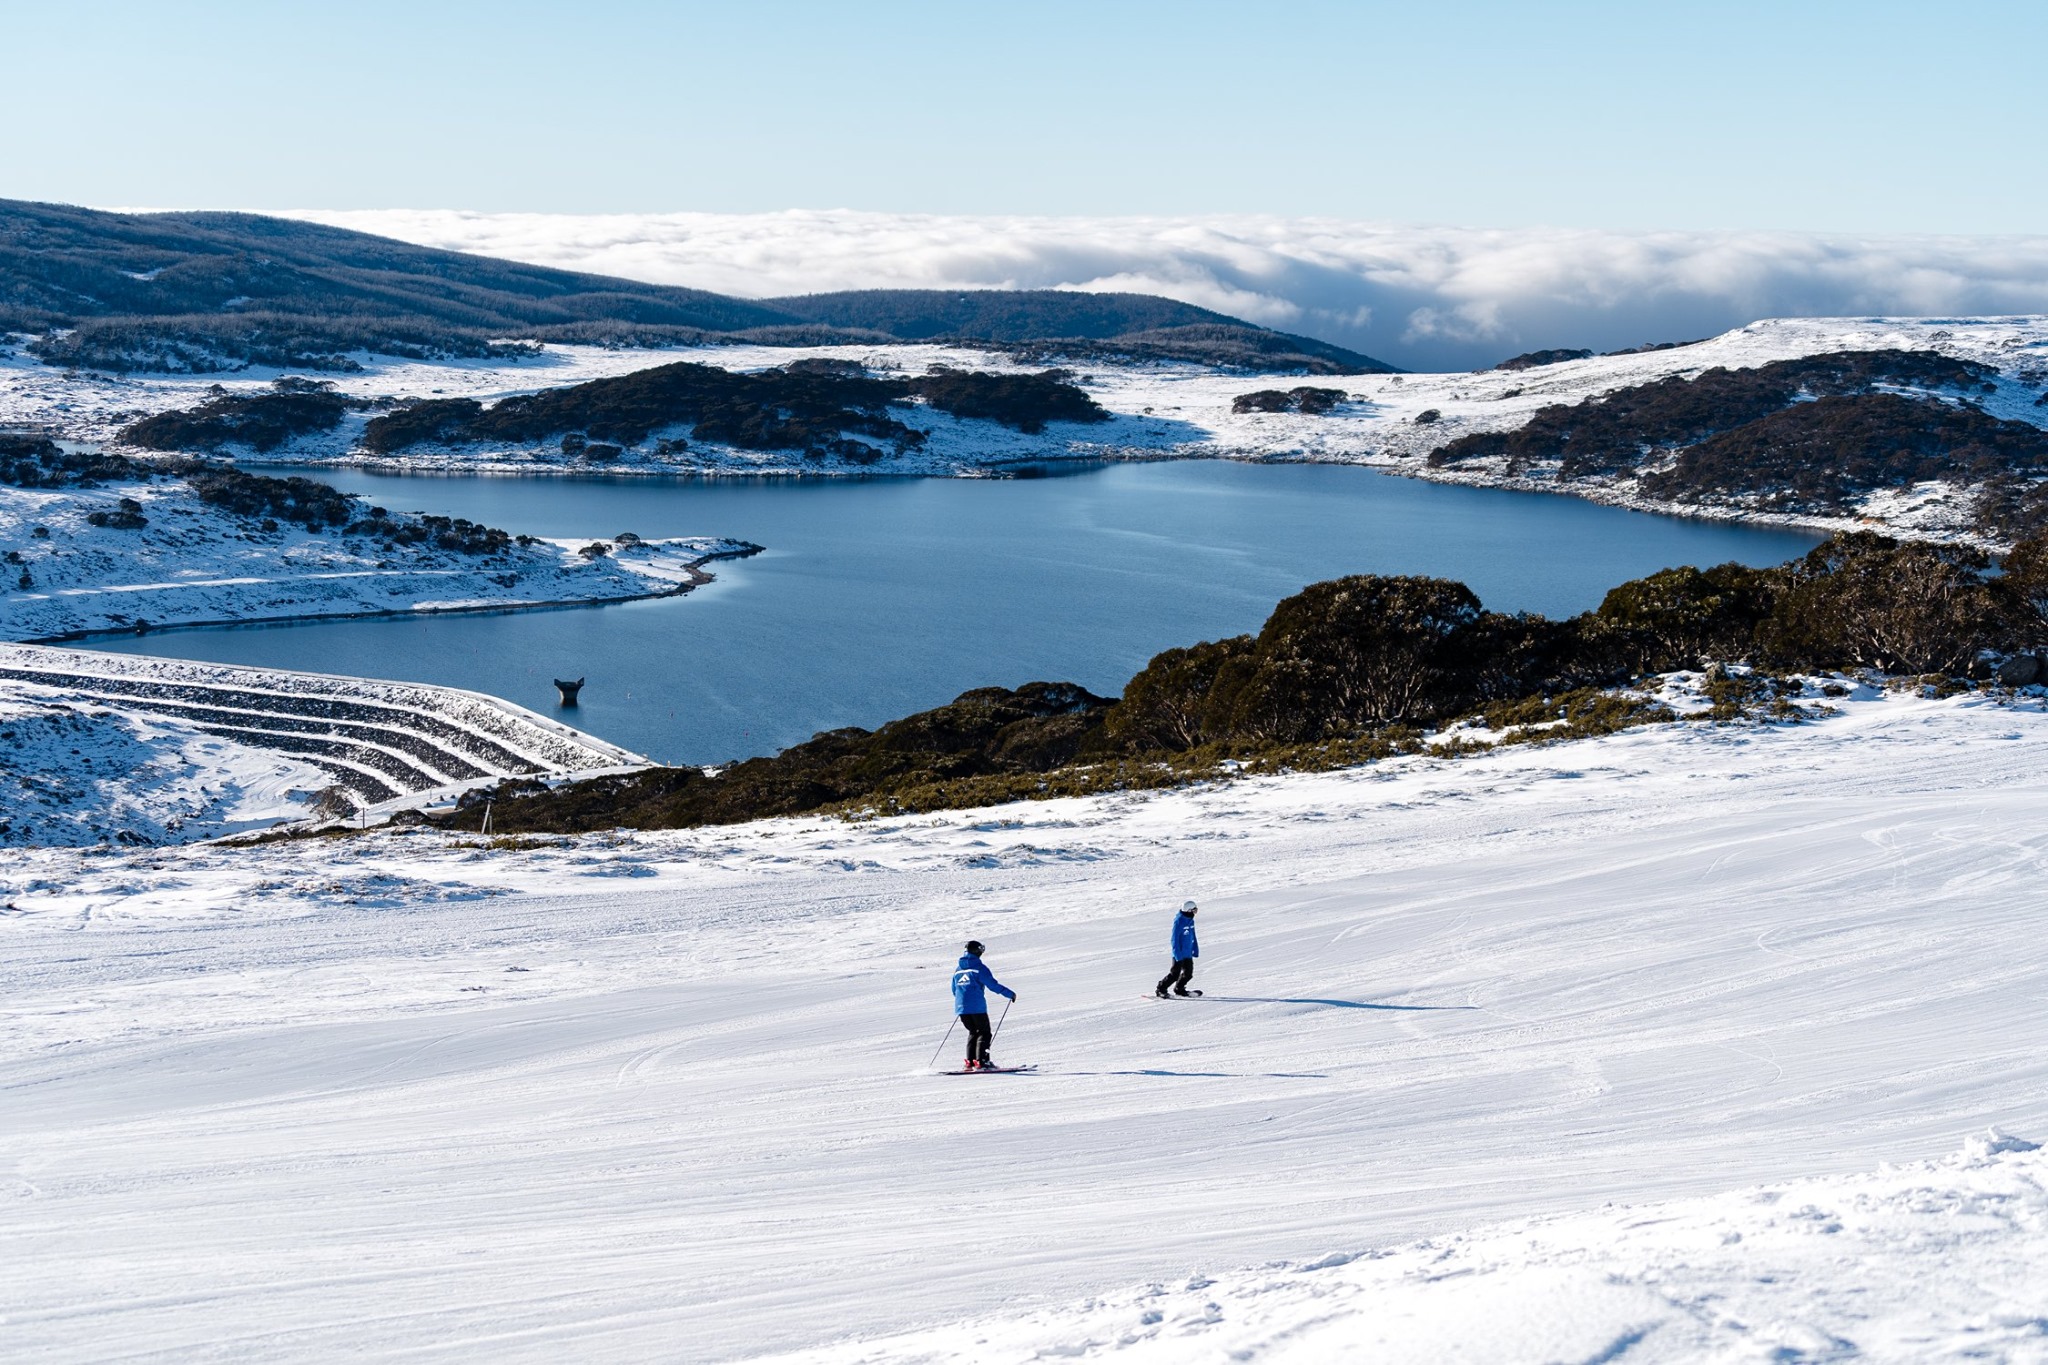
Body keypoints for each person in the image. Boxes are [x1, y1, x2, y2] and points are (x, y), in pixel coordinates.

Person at [951, 940, 1017, 1070]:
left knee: (973, 1032)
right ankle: (982, 1062)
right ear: (977, 951)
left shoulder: (958, 970)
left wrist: (963, 1003)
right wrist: (1009, 994)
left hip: (961, 1008)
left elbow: (954, 989)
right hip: (977, 1007)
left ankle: (970, 1062)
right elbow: (992, 985)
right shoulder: (979, 968)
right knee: (984, 1032)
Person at [1155, 901, 1201, 997]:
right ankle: (1161, 989)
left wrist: (1195, 948)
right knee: (1175, 974)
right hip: (1179, 953)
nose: (1195, 913)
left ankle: (1179, 989)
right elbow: (1174, 940)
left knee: (1188, 974)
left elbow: (1193, 936)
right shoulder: (1179, 921)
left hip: (1187, 952)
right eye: (1194, 910)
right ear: (1188, 910)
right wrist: (1177, 954)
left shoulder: (1190, 920)